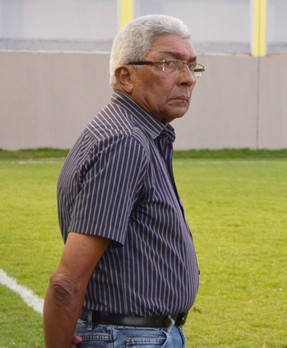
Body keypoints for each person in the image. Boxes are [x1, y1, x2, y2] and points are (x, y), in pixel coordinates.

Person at [43, 14, 204, 348]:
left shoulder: (134, 133)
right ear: (125, 76)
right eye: (170, 64)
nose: (188, 78)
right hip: (130, 338)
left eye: (192, 65)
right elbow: (65, 282)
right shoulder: (124, 142)